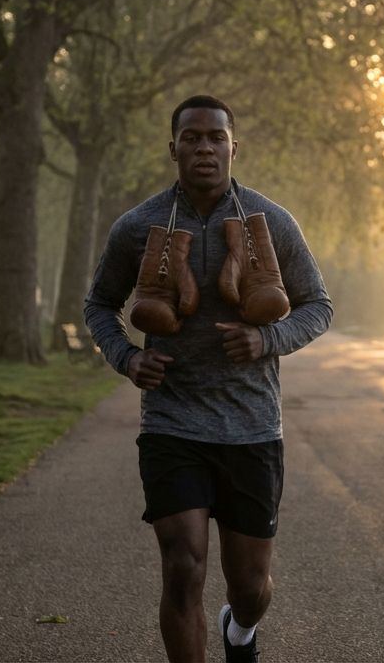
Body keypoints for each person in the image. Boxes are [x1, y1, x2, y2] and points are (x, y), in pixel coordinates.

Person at [84, 95, 332, 662]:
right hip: (173, 423)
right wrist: (126, 356)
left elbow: (318, 306)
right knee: (183, 566)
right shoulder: (137, 226)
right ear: (173, 149)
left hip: (251, 427)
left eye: (215, 138)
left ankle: (239, 629)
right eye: (191, 137)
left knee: (249, 587)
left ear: (232, 148)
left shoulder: (273, 223)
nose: (203, 147)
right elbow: (99, 305)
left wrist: (267, 340)